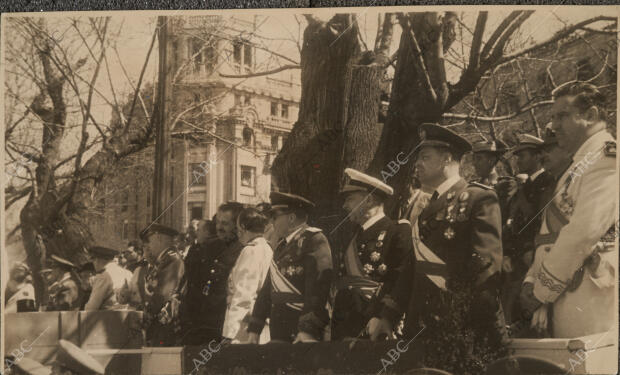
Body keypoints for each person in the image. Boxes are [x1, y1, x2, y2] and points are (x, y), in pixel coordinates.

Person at [369, 123, 504, 345]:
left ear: (446, 159)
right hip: (420, 324)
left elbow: (485, 268)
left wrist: (466, 324)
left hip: (457, 325)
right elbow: (413, 268)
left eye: (425, 157)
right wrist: (388, 316)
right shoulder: (429, 206)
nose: (417, 165)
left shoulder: (477, 199)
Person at [520, 82, 617, 338]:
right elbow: (548, 237)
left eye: (562, 116)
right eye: (552, 117)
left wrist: (541, 290)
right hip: (565, 290)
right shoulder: (578, 165)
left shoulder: (607, 159)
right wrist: (532, 280)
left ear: (591, 116)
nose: (553, 126)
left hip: (589, 295)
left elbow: (584, 232)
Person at [331, 168, 413, 340]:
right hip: (343, 322)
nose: (345, 206)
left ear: (368, 201)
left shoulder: (396, 231)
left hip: (372, 322)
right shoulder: (351, 235)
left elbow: (399, 279)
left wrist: (383, 316)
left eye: (350, 200)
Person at [247, 192, 333, 343]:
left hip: (300, 330)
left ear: (291, 218)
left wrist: (308, 329)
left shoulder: (314, 240)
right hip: (278, 328)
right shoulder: (282, 246)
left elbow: (318, 287)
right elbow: (268, 288)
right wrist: (255, 328)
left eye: (275, 216)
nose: (271, 222)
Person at [501, 134, 556, 326]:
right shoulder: (525, 185)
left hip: (533, 256)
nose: (517, 160)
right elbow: (512, 223)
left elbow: (539, 220)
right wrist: (507, 252)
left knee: (528, 311)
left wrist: (527, 249)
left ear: (537, 157)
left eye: (522, 156)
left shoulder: (547, 182)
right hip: (518, 257)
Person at [180, 202, 244, 345]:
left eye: (225, 224)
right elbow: (195, 281)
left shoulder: (242, 250)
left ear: (237, 225)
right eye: (218, 223)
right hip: (202, 320)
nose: (219, 228)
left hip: (224, 322)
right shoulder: (210, 247)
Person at [222, 207, 273, 343]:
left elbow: (243, 294)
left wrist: (231, 334)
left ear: (243, 227)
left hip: (244, 327)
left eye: (238, 228)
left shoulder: (250, 251)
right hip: (261, 323)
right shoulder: (267, 249)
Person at [135, 223, 185, 346]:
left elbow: (162, 296)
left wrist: (143, 315)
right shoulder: (163, 262)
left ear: (159, 238)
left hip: (166, 328)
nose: (148, 248)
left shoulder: (172, 261)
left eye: (149, 242)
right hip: (159, 327)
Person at [83, 246, 132, 311]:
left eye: (93, 259)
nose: (93, 263)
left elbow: (91, 308)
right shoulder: (128, 273)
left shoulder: (103, 276)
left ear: (98, 260)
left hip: (107, 318)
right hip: (128, 317)